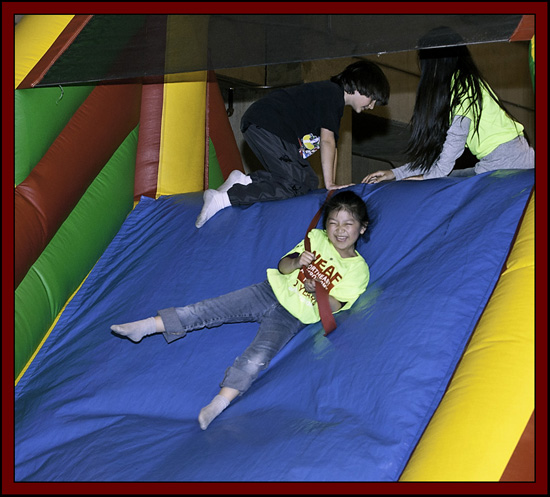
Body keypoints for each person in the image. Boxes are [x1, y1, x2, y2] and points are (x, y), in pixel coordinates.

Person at [111, 190, 370, 430]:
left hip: (292, 317)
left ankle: (219, 402)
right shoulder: (316, 238)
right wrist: (296, 262)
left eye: (348, 223)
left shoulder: (358, 270)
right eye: (334, 222)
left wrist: (320, 292)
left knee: (258, 356)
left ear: (362, 227)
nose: (340, 230)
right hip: (267, 290)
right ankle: (146, 326)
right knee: (211, 308)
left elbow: (339, 305)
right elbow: (282, 266)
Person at [195, 60, 389, 228]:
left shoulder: (329, 99)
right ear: (360, 85)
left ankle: (245, 181)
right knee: (296, 183)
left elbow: (331, 146)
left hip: (263, 124)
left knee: (307, 182)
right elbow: (328, 141)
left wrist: (329, 182)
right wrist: (330, 183)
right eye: (372, 99)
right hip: (269, 124)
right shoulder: (332, 94)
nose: (371, 106)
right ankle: (224, 198)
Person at [362, 28, 534, 185]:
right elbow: (439, 156)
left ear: (435, 62)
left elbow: (453, 147)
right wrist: (396, 173)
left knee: (450, 183)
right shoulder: (460, 85)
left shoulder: (463, 86)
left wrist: (426, 178)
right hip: (503, 161)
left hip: (509, 163)